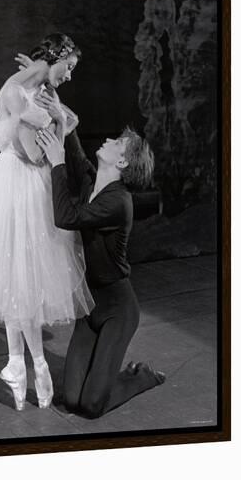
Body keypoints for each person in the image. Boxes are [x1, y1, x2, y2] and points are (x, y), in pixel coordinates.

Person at [0, 34, 95, 411]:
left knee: (21, 278)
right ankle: (33, 365)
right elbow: (31, 154)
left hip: (30, 184)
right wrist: (58, 123)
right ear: (58, 57)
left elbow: (35, 98)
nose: (71, 76)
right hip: (18, 185)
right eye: (70, 68)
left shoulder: (33, 86)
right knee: (19, 274)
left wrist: (41, 79)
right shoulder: (15, 93)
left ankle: (19, 365)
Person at [35, 122, 165, 418]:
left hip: (118, 310)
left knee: (91, 406)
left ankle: (141, 377)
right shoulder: (95, 184)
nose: (108, 137)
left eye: (117, 141)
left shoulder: (118, 202)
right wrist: (69, 127)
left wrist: (56, 163)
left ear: (122, 162)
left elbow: (65, 216)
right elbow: (80, 161)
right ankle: (105, 377)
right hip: (90, 307)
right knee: (71, 400)